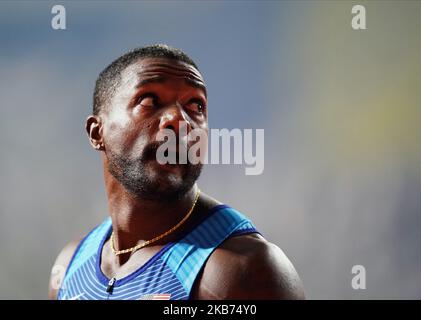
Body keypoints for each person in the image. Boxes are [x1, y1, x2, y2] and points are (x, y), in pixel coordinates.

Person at [48, 44, 305, 300]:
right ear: (97, 132)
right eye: (150, 100)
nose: (179, 119)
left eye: (196, 106)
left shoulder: (241, 270)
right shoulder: (71, 264)